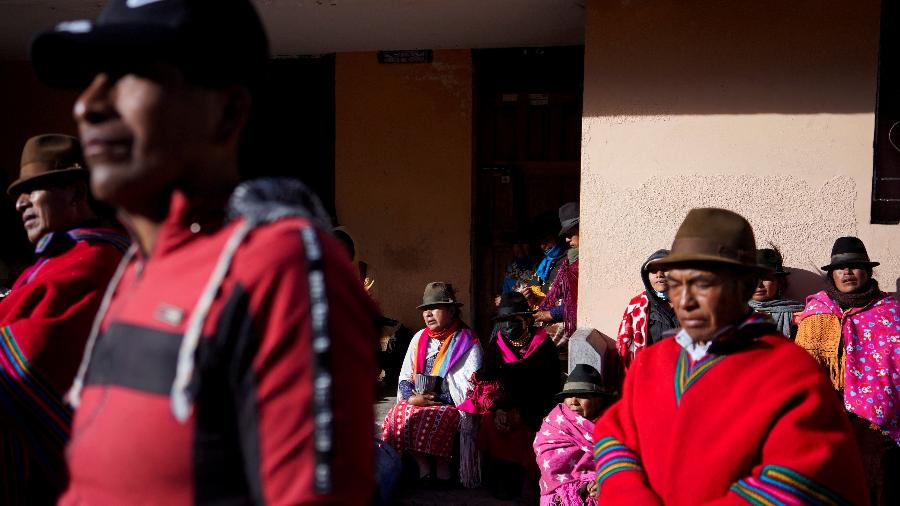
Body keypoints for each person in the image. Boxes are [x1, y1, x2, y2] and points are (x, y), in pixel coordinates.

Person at [31, 0, 379, 503]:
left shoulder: (276, 268)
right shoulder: (136, 267)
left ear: (228, 112)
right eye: (91, 77)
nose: (88, 104)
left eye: (131, 75)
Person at [592, 208, 868, 505]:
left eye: (704, 282)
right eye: (677, 282)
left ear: (745, 285)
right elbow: (615, 438)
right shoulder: (652, 363)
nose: (685, 300)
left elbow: (802, 480)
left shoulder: (789, 374)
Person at [0, 134, 128, 504]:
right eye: (17, 195)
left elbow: (37, 355)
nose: (20, 202)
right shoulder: (53, 261)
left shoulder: (96, 260)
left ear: (75, 193)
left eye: (34, 189)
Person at [795, 236, 899, 505]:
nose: (848, 272)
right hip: (826, 416)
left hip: (878, 421)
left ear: (868, 271)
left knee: (876, 481)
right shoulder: (816, 312)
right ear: (832, 274)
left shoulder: (890, 312)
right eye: (841, 268)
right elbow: (801, 368)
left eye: (855, 266)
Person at [382, 282, 483, 486]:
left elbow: (470, 387)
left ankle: (443, 468)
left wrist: (434, 399)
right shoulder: (419, 338)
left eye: (434, 308)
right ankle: (423, 467)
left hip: (451, 403)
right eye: (425, 309)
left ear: (452, 310)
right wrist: (411, 397)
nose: (428, 314)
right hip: (419, 399)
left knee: (438, 417)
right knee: (397, 414)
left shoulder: (467, 340)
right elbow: (404, 376)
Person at [472, 291, 560, 501]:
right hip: (504, 406)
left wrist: (522, 412)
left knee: (525, 432)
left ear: (527, 320)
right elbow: (488, 382)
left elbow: (550, 386)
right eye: (503, 322)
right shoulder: (497, 346)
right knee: (489, 426)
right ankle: (500, 481)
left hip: (536, 407)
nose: (507, 327)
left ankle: (528, 481)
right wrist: (498, 410)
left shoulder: (543, 345)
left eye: (513, 321)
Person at [533, 364, 615, 506]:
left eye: (582, 396)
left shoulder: (612, 426)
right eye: (569, 396)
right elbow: (549, 463)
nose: (574, 402)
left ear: (598, 400)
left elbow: (623, 461)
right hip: (560, 497)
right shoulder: (554, 424)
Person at [616, 249, 678, 370]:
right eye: (653, 270)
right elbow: (625, 349)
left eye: (665, 268)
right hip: (650, 377)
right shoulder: (636, 307)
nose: (659, 274)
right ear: (647, 276)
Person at [535, 202, 580, 349]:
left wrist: (552, 314)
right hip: (558, 315)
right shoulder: (569, 262)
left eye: (571, 233)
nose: (568, 240)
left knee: (535, 344)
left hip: (568, 321)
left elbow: (577, 302)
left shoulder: (576, 263)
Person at [748, 247, 804, 338]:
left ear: (779, 282)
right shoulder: (736, 316)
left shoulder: (800, 318)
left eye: (765, 278)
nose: (759, 285)